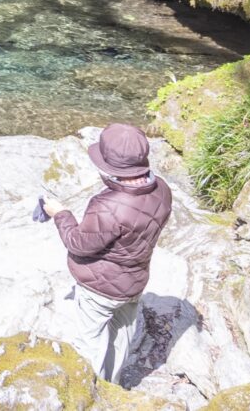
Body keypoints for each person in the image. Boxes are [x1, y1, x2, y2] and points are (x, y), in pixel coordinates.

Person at [41, 123, 172, 384]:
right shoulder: (163, 190)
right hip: (134, 281)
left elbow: (78, 243)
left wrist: (61, 214)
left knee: (91, 342)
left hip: (99, 288)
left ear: (111, 168)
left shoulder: (108, 206)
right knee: (122, 336)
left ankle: (92, 393)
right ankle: (113, 388)